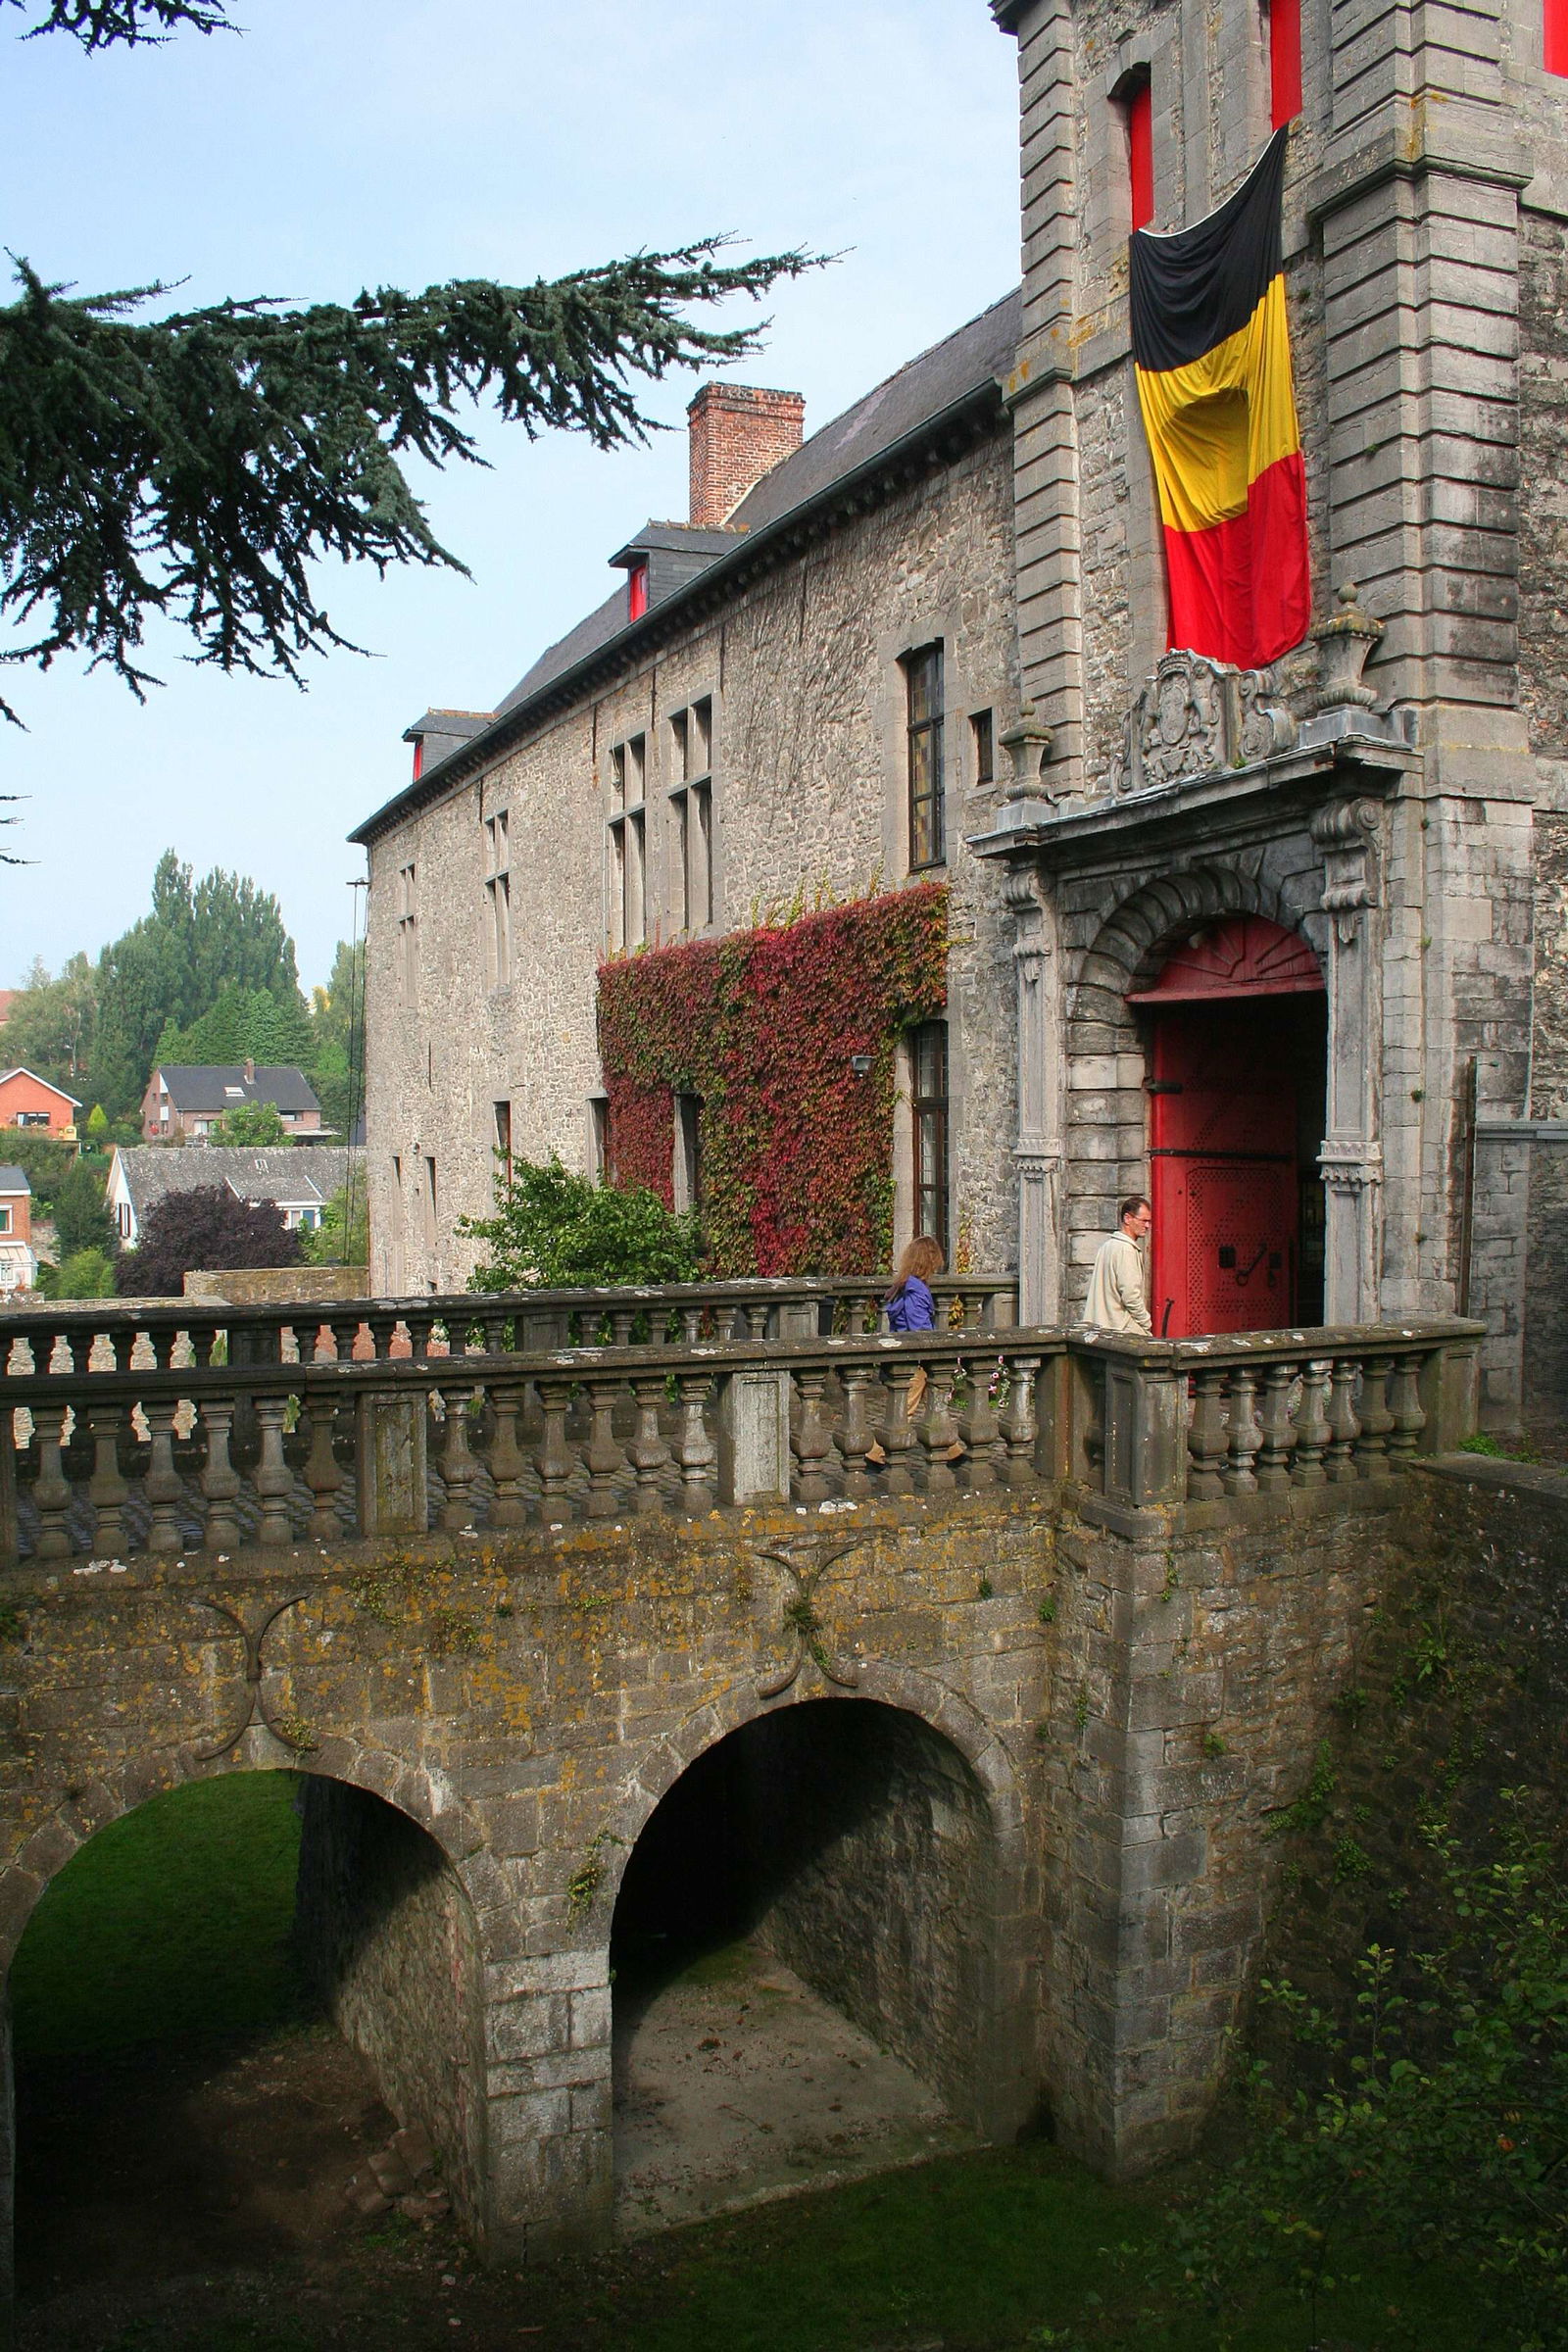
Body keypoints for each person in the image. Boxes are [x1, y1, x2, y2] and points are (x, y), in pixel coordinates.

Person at [866, 1235, 963, 1465]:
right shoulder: (916, 1291)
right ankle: (875, 1453)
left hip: (910, 1358)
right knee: (904, 1410)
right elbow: (919, 1329)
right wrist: (931, 1354)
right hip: (915, 1361)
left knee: (937, 1401)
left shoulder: (905, 1285)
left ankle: (952, 1449)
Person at [1085, 1196, 1152, 1335]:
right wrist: (1146, 1322)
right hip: (1119, 1328)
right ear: (1127, 1218)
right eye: (1144, 1221)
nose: (1147, 1226)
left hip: (1100, 1327)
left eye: (1149, 1221)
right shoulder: (1126, 1249)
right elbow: (1130, 1295)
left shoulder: (1107, 1246)